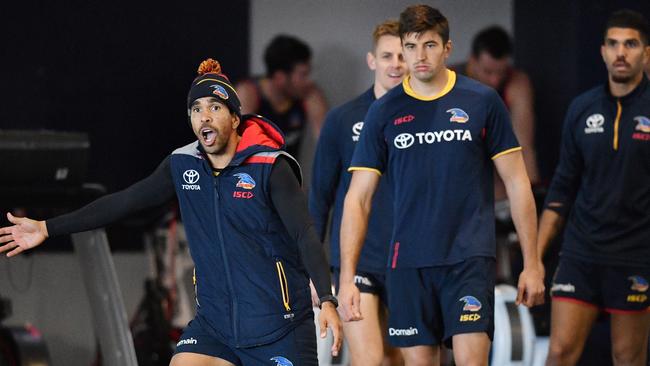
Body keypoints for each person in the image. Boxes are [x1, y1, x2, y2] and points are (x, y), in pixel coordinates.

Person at [0, 59, 342, 366]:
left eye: (215, 107)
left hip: (277, 327)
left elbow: (304, 235)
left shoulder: (271, 167)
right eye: (196, 109)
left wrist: (326, 298)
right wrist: (47, 228)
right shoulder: (182, 165)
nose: (204, 116)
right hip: (216, 328)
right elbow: (124, 202)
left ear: (236, 118)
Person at [337, 5, 545, 366]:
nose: (420, 56)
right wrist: (346, 277)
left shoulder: (481, 101)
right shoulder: (384, 111)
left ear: (447, 49)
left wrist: (533, 262)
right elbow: (358, 198)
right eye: (412, 46)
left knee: (471, 361)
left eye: (430, 45)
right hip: (407, 264)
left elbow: (517, 182)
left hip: (469, 259)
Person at [538, 9, 650, 366]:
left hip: (636, 254)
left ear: (646, 53)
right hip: (581, 251)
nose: (621, 53)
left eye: (631, 44)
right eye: (614, 44)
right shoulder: (582, 108)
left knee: (627, 357)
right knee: (559, 352)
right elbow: (561, 188)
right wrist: (534, 259)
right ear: (602, 51)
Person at [309, 19, 405, 366]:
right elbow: (320, 196)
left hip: (407, 258)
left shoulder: (425, 119)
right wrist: (312, 271)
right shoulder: (342, 119)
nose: (395, 64)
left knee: (397, 359)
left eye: (401, 55)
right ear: (372, 60)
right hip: (356, 259)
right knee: (369, 359)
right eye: (386, 56)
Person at [454, 25, 540, 203]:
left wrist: (532, 198)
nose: (494, 80)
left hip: (499, 174)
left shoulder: (517, 82)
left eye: (500, 72)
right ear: (472, 61)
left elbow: (523, 144)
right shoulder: (450, 81)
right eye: (488, 72)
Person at [236, 35, 328, 159]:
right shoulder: (249, 93)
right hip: (251, 175)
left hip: (289, 176)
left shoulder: (309, 94)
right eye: (303, 75)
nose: (309, 81)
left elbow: (326, 144)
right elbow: (239, 147)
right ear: (280, 78)